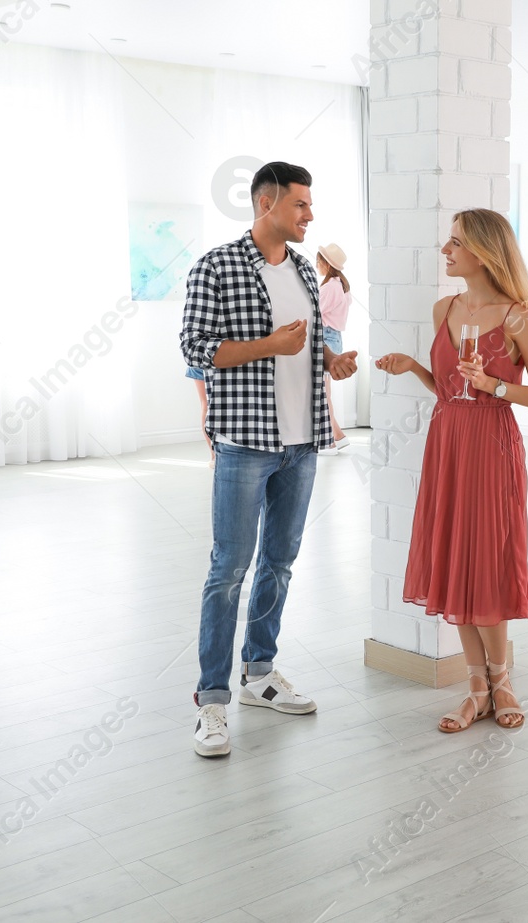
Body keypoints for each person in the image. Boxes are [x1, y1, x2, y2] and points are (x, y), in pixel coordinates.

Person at [181, 161, 358, 757]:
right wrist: (270, 345)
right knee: (228, 570)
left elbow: (303, 354)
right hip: (243, 442)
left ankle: (259, 674)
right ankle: (211, 703)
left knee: (279, 564)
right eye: (301, 205)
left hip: (301, 442)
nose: (310, 215)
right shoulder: (217, 266)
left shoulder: (307, 272)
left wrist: (330, 364)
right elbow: (196, 349)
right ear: (266, 204)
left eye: (310, 205)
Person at [377, 208, 528, 733]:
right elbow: (449, 389)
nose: (445, 250)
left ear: (483, 251)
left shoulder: (519, 317)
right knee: (456, 557)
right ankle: (476, 688)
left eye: (455, 242)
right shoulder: (443, 309)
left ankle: (502, 682)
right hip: (448, 442)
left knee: (488, 561)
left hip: (492, 446)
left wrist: (495, 387)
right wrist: (415, 368)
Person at [316, 242, 352, 454]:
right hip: (334, 337)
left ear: (326, 264)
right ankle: (335, 436)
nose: (316, 265)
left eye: (318, 261)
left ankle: (334, 437)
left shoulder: (329, 287)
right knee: (324, 392)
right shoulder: (341, 286)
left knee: (323, 393)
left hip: (326, 337)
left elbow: (315, 312)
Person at [186, 364, 213, 464]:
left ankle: (213, 456)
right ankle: (214, 455)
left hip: (199, 358)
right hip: (223, 357)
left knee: (205, 405)